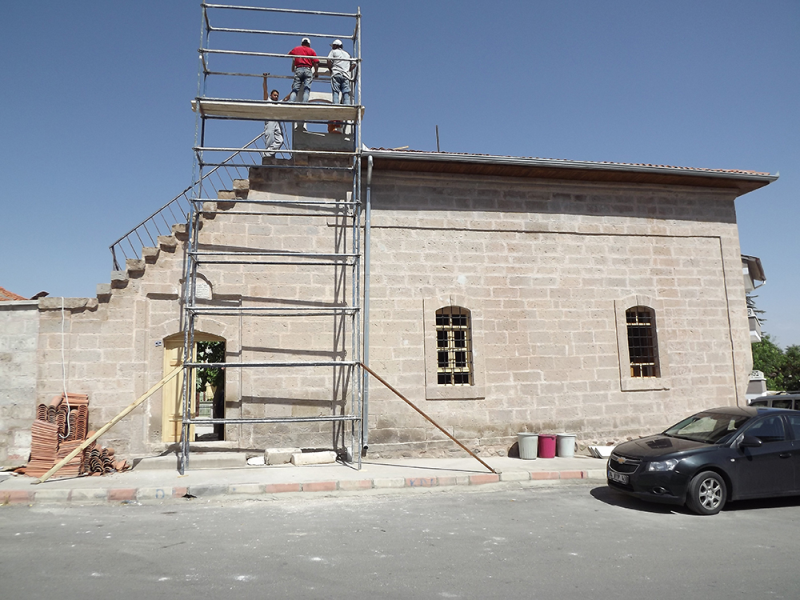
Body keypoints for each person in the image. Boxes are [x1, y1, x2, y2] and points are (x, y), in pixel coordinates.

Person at [288, 37, 319, 103]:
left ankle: (291, 102)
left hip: (299, 69)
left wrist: (296, 56)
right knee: (306, 89)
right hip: (308, 69)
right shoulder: (311, 51)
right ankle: (304, 103)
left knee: (295, 88)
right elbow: (316, 62)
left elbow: (289, 54)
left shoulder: (297, 49)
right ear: (309, 44)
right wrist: (316, 72)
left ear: (302, 43)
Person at [326, 39, 353, 105]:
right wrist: (347, 69)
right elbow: (354, 63)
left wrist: (330, 69)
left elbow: (328, 60)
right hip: (345, 76)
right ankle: (347, 105)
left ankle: (336, 104)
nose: (332, 47)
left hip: (336, 73)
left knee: (336, 91)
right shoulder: (347, 54)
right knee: (346, 92)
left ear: (336, 46)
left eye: (333, 46)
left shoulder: (333, 52)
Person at [261, 81, 284, 159]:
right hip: (270, 120)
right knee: (270, 138)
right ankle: (268, 156)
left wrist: (293, 91)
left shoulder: (278, 103)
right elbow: (265, 89)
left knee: (280, 140)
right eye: (274, 95)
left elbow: (286, 99)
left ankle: (268, 154)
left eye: (277, 95)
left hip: (277, 121)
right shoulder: (268, 101)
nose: (276, 97)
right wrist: (265, 78)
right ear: (271, 95)